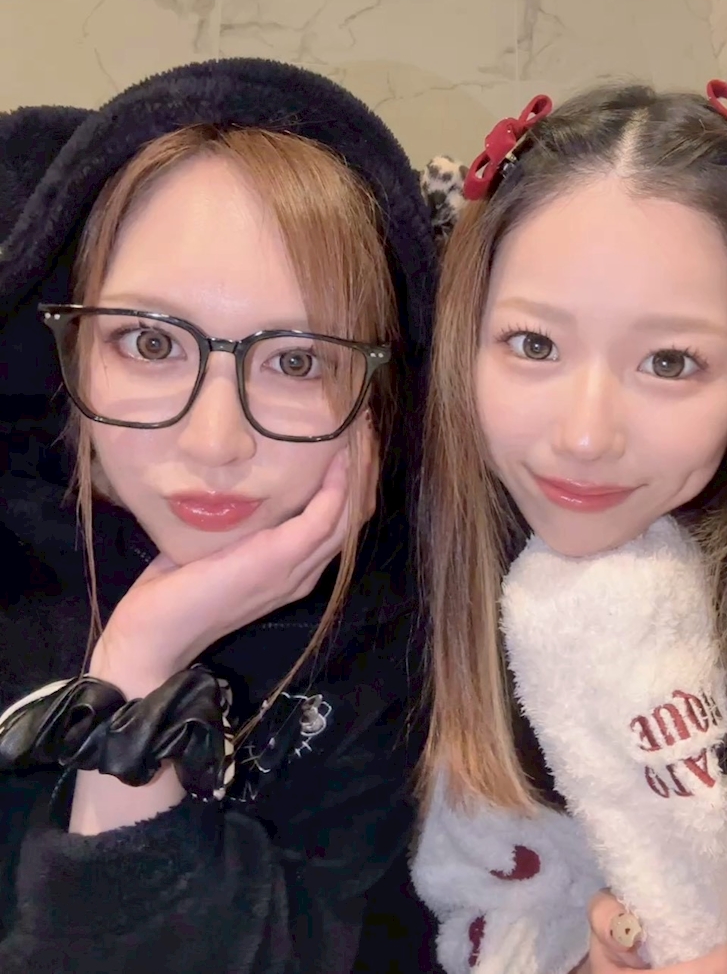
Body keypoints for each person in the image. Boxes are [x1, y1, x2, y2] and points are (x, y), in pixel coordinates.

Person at [0, 57, 440, 973]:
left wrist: (141, 664)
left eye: (296, 360)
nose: (215, 441)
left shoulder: (408, 650)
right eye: (150, 341)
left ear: (374, 391)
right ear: (70, 349)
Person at [411, 84, 727, 974]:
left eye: (670, 361)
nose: (585, 435)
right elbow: (487, 905)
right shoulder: (415, 598)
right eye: (535, 344)